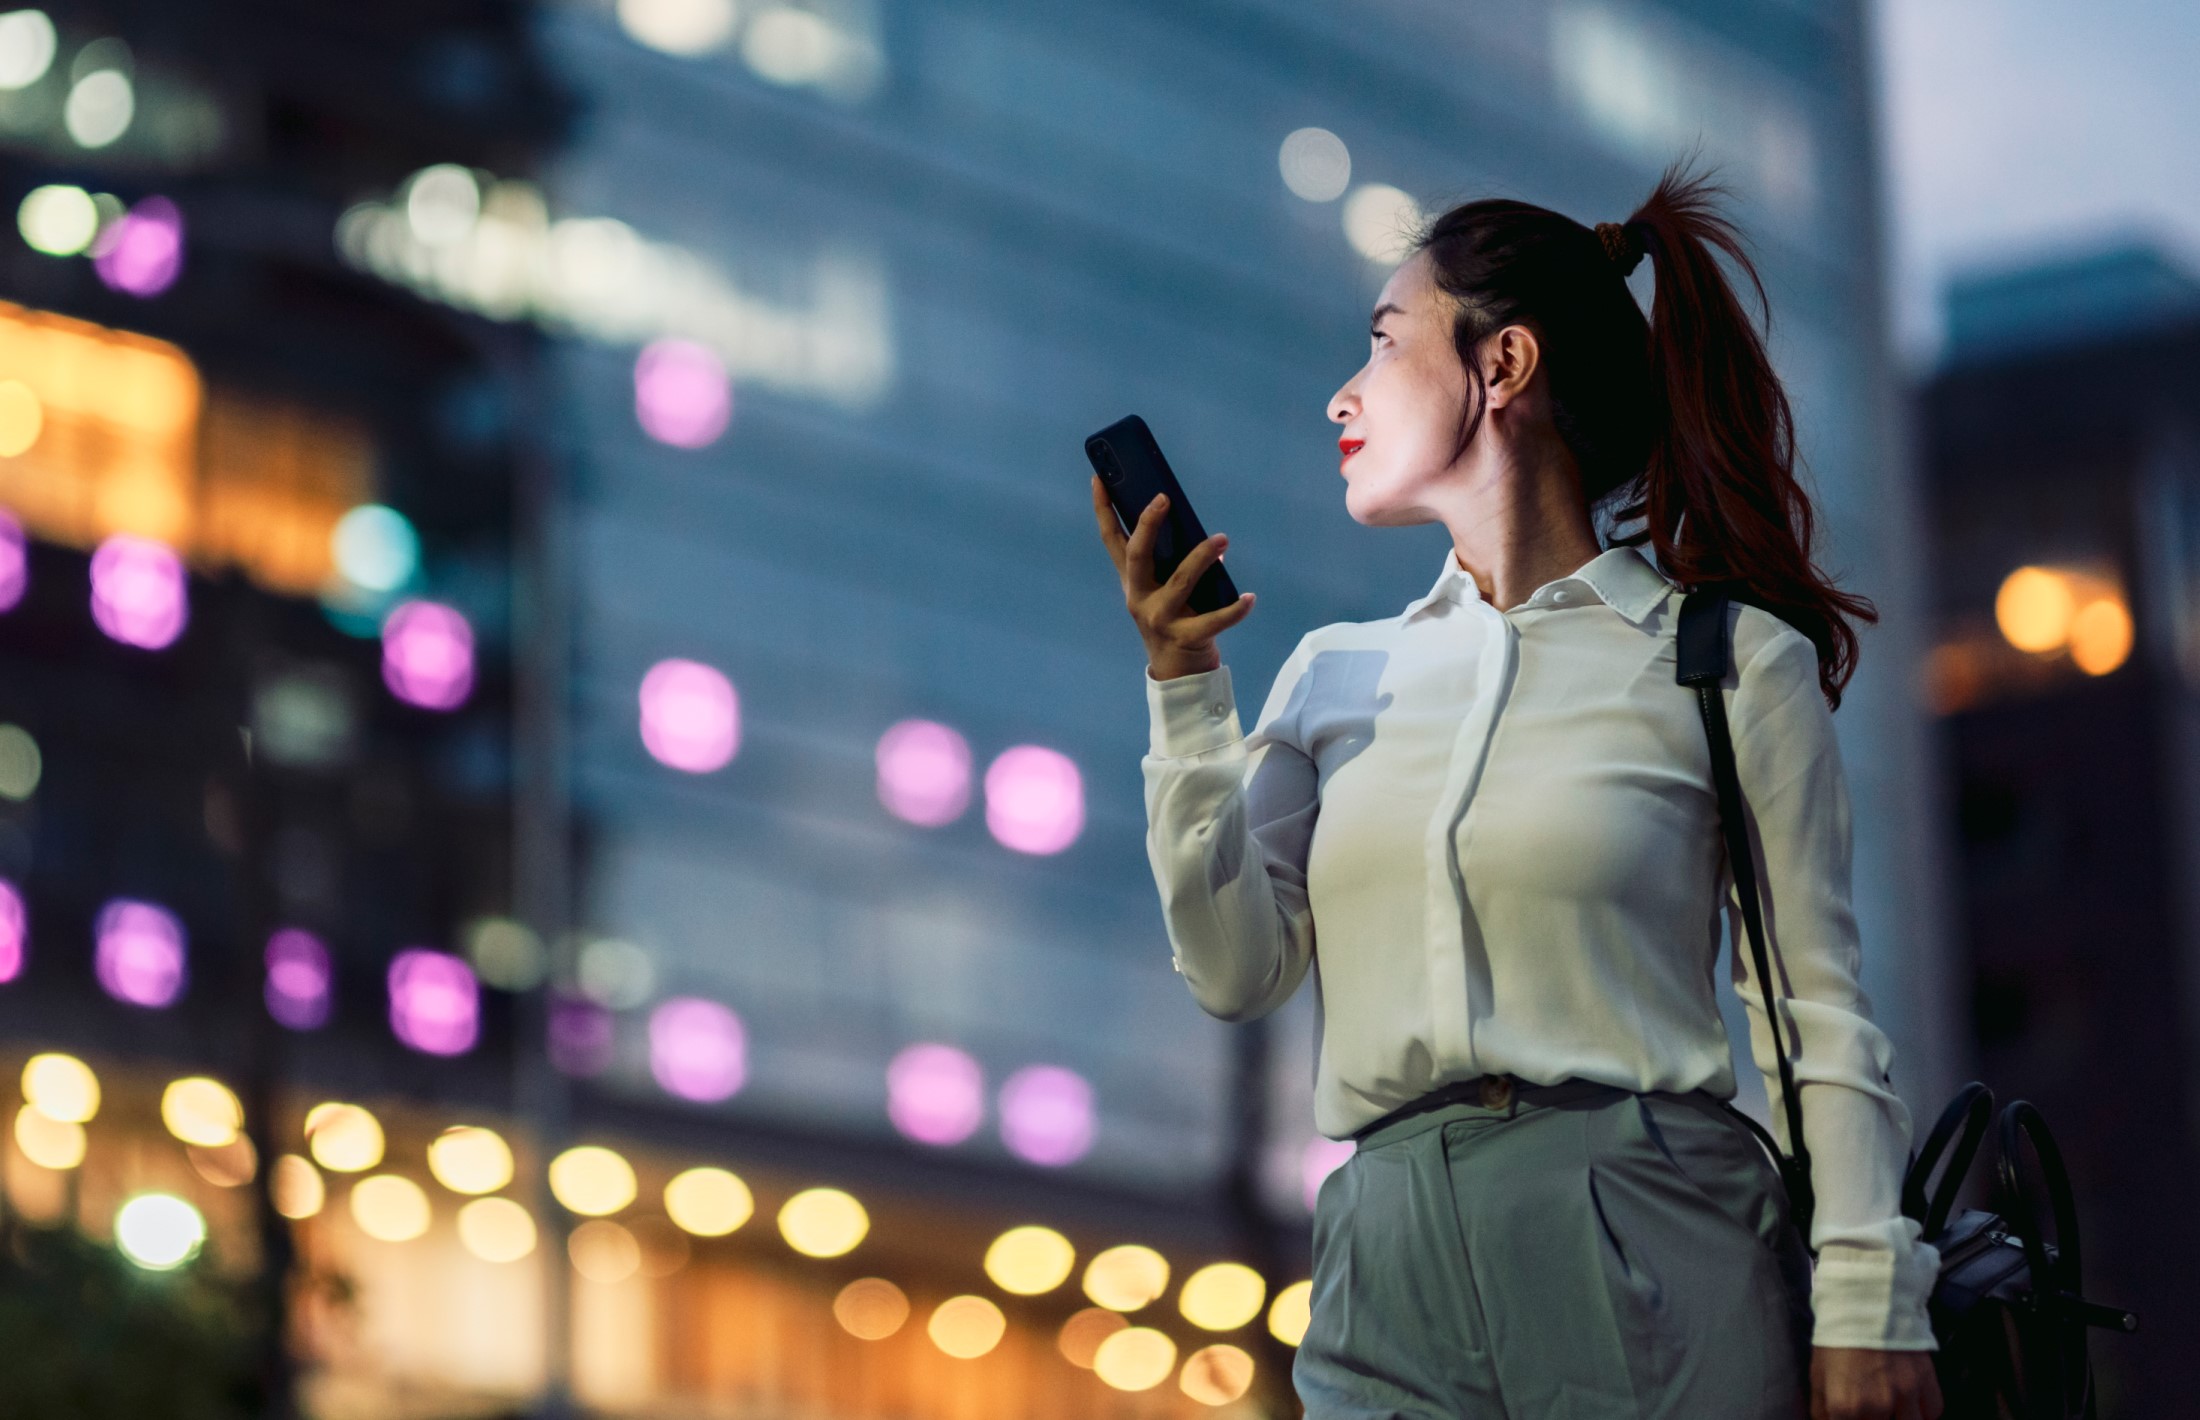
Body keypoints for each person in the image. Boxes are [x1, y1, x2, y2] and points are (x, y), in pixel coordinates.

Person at [1091, 165, 1944, 1420]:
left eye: (1382, 345)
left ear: (1503, 365)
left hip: (1646, 1226)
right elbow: (1232, 971)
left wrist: (1870, 1299)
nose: (1342, 391)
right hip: (1381, 1250)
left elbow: (1813, 1004)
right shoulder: (1337, 676)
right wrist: (1184, 687)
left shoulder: (1720, 660)